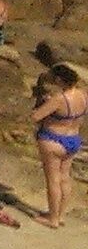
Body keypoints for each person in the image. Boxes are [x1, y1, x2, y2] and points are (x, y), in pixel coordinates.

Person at [33, 64, 84, 227]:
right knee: (64, 177)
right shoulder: (83, 95)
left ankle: (52, 219)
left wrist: (45, 102)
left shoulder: (59, 99)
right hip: (73, 139)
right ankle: (60, 215)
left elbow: (36, 116)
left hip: (53, 140)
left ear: (60, 80)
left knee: (53, 180)